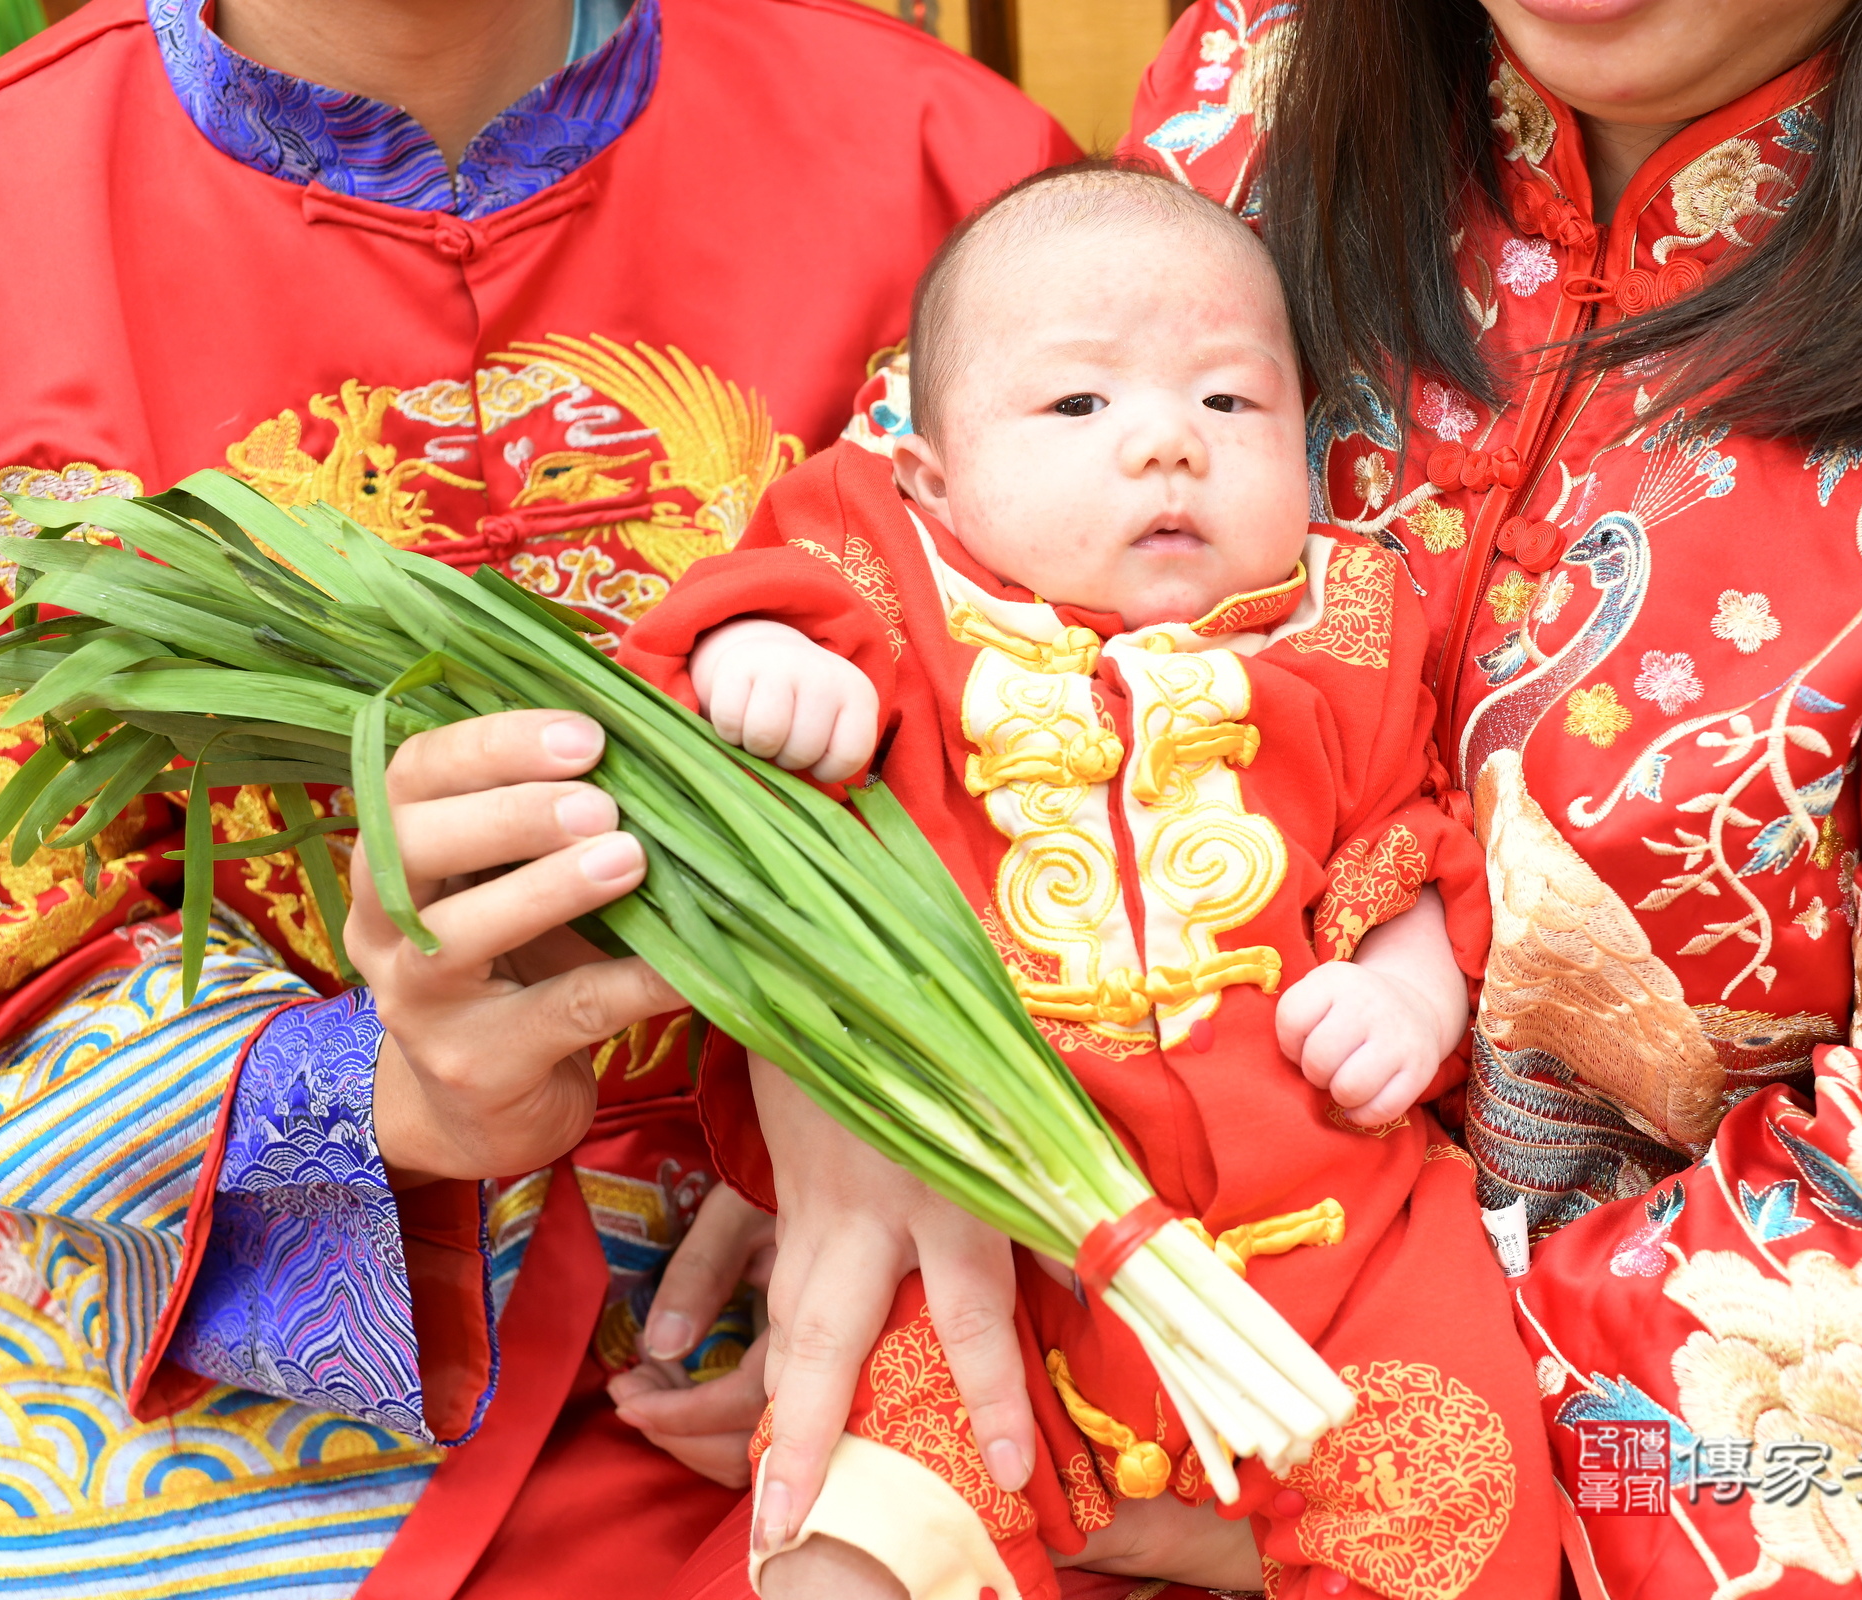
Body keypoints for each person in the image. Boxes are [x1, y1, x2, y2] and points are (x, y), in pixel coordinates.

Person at [701, 0, 1862, 1596]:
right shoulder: (1266, 72)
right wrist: (851, 1040)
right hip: (1063, 1305)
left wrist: (1278, 1450)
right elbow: (902, 550)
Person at [0, 0, 1069, 1591]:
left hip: (926, 1313)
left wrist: (926, 1085)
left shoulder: (957, 182)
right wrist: (382, 1099)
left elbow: (1178, 700)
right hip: (237, 1354)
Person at [618, 164, 1559, 1600]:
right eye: (1080, 407)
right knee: (856, 1515)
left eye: (1230, 406)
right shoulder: (895, 592)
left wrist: (1407, 1000)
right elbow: (740, 618)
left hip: (1335, 1241)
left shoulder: (1348, 631)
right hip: (992, 1238)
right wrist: (765, 667)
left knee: (1455, 1489)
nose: (1167, 447)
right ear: (932, 477)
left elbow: (1405, 843)